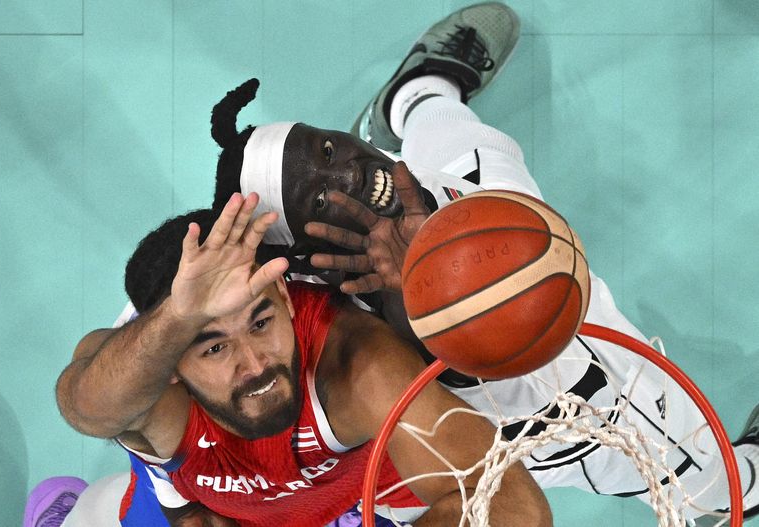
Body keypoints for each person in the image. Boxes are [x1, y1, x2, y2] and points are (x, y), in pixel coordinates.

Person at [204, 3, 759, 522]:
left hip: (490, 217)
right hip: (555, 405)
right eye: (320, 203)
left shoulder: (439, 184)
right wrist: (422, 297)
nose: (345, 174)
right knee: (706, 479)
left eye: (327, 150)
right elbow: (481, 393)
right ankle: (749, 473)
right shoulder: (334, 335)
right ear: (310, 260)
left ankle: (416, 92)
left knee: (456, 138)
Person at [55, 196, 552, 526]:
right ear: (172, 370)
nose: (255, 366)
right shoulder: (150, 392)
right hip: (199, 498)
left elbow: (511, 500)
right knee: (89, 517)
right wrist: (179, 316)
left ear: (287, 300)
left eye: (260, 322)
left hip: (349, 498)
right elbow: (85, 410)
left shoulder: (356, 367)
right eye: (213, 347)